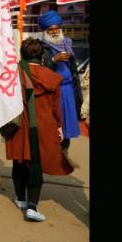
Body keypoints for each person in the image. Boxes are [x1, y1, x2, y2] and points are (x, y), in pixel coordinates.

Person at [5, 38, 74, 222]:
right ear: (42, 56)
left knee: (19, 160)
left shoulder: (15, 73)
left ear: (22, 54)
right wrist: (58, 126)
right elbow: (56, 108)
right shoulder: (52, 77)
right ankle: (32, 206)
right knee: (36, 163)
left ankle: (20, 199)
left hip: (19, 123)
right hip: (44, 125)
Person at [38, 10, 82, 151]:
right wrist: (53, 59)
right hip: (53, 92)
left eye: (57, 28)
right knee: (55, 122)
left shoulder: (67, 44)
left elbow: (73, 69)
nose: (55, 32)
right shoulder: (41, 48)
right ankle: (54, 152)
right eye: (51, 30)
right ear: (45, 31)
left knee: (67, 122)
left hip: (68, 89)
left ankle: (64, 150)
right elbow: (38, 69)